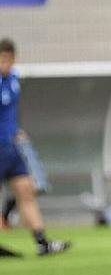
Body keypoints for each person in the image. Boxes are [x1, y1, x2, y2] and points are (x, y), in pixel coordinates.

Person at [0, 39, 70, 256]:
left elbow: (11, 111)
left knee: (26, 190)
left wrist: (16, 130)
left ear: (12, 59)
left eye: (4, 59)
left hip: (11, 147)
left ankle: (42, 242)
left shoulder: (13, 79)